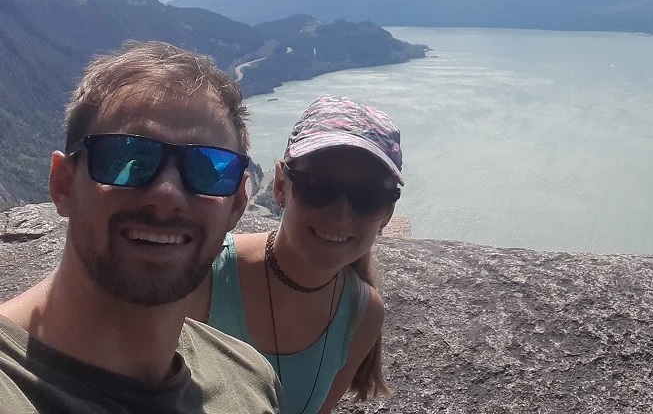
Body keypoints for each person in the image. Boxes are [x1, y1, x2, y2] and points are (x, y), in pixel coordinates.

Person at [0, 41, 284, 413]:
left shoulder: (250, 381)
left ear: (236, 206)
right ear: (64, 185)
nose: (167, 194)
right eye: (128, 159)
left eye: (205, 169)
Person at [190, 95, 399, 414]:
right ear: (280, 186)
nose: (340, 215)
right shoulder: (205, 274)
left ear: (387, 214)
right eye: (318, 186)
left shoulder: (364, 314)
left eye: (368, 196)